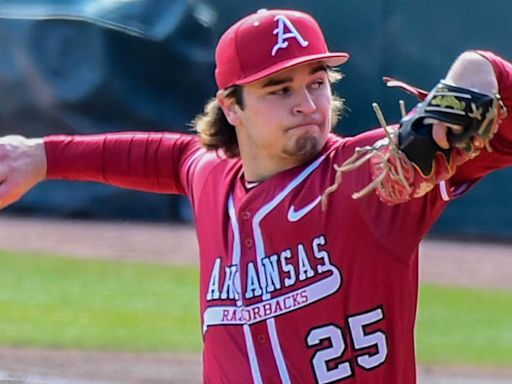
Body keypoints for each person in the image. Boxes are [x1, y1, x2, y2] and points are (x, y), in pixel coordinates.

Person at [0, 8, 510, 384]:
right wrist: (41, 157)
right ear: (232, 106)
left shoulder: (373, 173)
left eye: (316, 82)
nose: (306, 104)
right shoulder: (210, 175)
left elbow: (499, 135)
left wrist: (481, 68)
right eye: (279, 89)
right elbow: (164, 156)